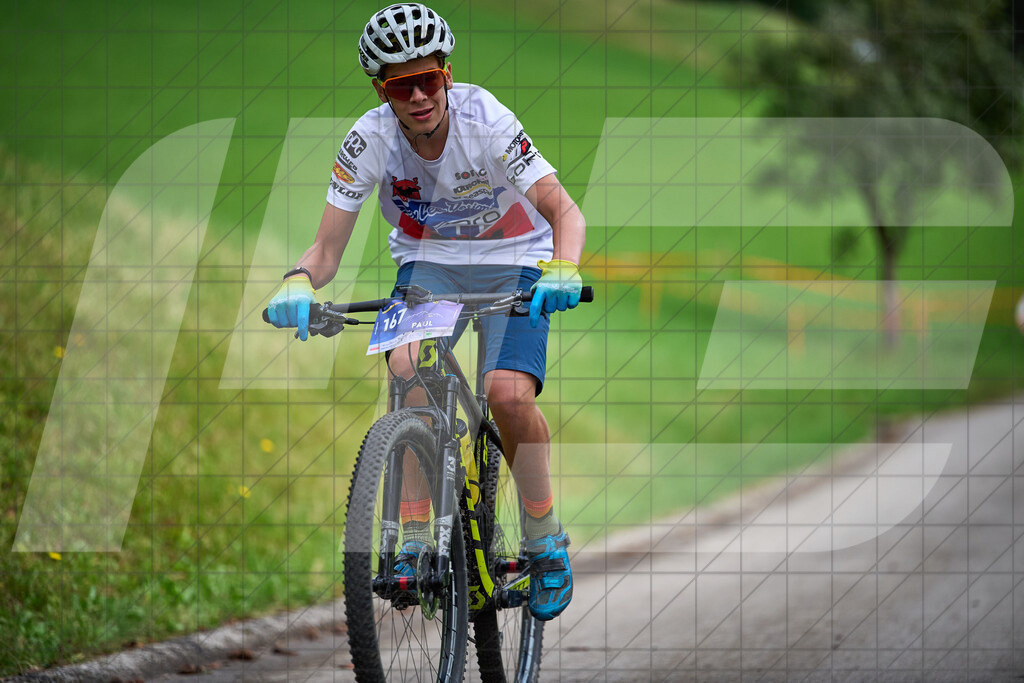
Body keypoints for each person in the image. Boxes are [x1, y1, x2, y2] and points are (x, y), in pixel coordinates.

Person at [266, 3, 584, 622]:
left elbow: (563, 210)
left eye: (428, 78)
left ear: (446, 72)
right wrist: (299, 282)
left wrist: (564, 268)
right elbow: (326, 249)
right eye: (398, 84)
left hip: (515, 256)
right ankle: (414, 536)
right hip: (429, 261)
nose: (417, 96)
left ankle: (545, 539)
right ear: (380, 90)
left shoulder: (484, 117)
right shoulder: (369, 140)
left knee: (507, 394)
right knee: (406, 367)